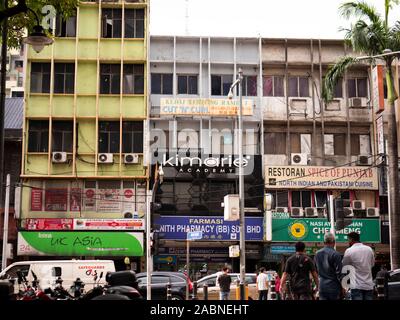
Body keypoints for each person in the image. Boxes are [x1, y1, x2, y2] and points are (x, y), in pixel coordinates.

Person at [342, 231, 375, 300]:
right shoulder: (369, 249)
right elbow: (372, 264)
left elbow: (345, 267)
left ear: (351, 239)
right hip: (368, 285)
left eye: (348, 239)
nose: (348, 241)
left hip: (356, 285)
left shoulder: (349, 251)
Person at [314, 232, 344, 300]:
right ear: (334, 242)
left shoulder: (317, 254)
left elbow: (316, 270)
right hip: (334, 287)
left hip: (322, 287)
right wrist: (343, 287)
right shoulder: (336, 254)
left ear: (323, 242)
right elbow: (339, 273)